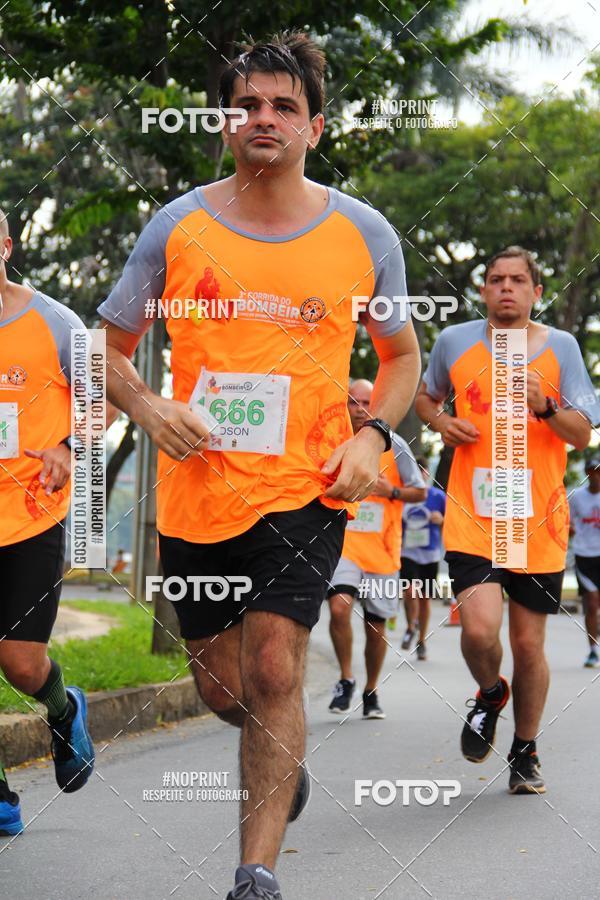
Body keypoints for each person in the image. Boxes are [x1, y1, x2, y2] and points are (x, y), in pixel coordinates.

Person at [98, 32, 420, 900]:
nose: (263, 119)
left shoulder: (364, 232)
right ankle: (280, 758)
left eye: (283, 106)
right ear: (223, 122)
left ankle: (254, 874)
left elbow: (400, 362)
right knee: (221, 686)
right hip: (199, 492)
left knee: (277, 667)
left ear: (315, 125)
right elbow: (109, 347)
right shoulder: (177, 226)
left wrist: (373, 438)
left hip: (306, 487)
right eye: (246, 105)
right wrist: (149, 405)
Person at [415, 245, 600, 795]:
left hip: (536, 518)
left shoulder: (561, 348)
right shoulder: (454, 342)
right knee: (477, 629)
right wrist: (441, 423)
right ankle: (491, 691)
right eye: (496, 279)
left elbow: (582, 432)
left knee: (528, 645)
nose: (506, 289)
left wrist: (546, 406)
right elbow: (426, 399)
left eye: (519, 280)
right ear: (484, 289)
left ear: (536, 292)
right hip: (473, 513)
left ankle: (525, 750)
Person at [0, 208, 95, 836]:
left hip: (29, 517)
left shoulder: (56, 322)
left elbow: (101, 396)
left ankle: (64, 711)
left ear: (5, 245)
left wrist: (67, 445)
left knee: (19, 663)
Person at [327, 379, 425, 718]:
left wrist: (391, 493)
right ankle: (345, 678)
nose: (359, 408)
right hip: (343, 544)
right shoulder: (332, 437)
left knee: (375, 625)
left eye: (367, 401)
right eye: (353, 402)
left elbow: (420, 491)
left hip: (382, 550)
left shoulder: (394, 445)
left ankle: (371, 689)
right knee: (339, 608)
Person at [400, 456, 446, 661]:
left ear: (428, 473)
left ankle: (421, 640)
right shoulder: (404, 495)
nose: (420, 474)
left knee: (425, 598)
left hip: (430, 552)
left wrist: (441, 519)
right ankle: (411, 625)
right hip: (407, 551)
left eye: (423, 470)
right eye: (416, 470)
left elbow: (451, 522)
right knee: (410, 591)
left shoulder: (437, 496)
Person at [569, 457, 600, 667]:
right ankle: (593, 651)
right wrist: (570, 530)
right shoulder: (577, 497)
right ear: (588, 473)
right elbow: (567, 523)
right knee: (591, 603)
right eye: (593, 471)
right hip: (584, 556)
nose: (596, 475)